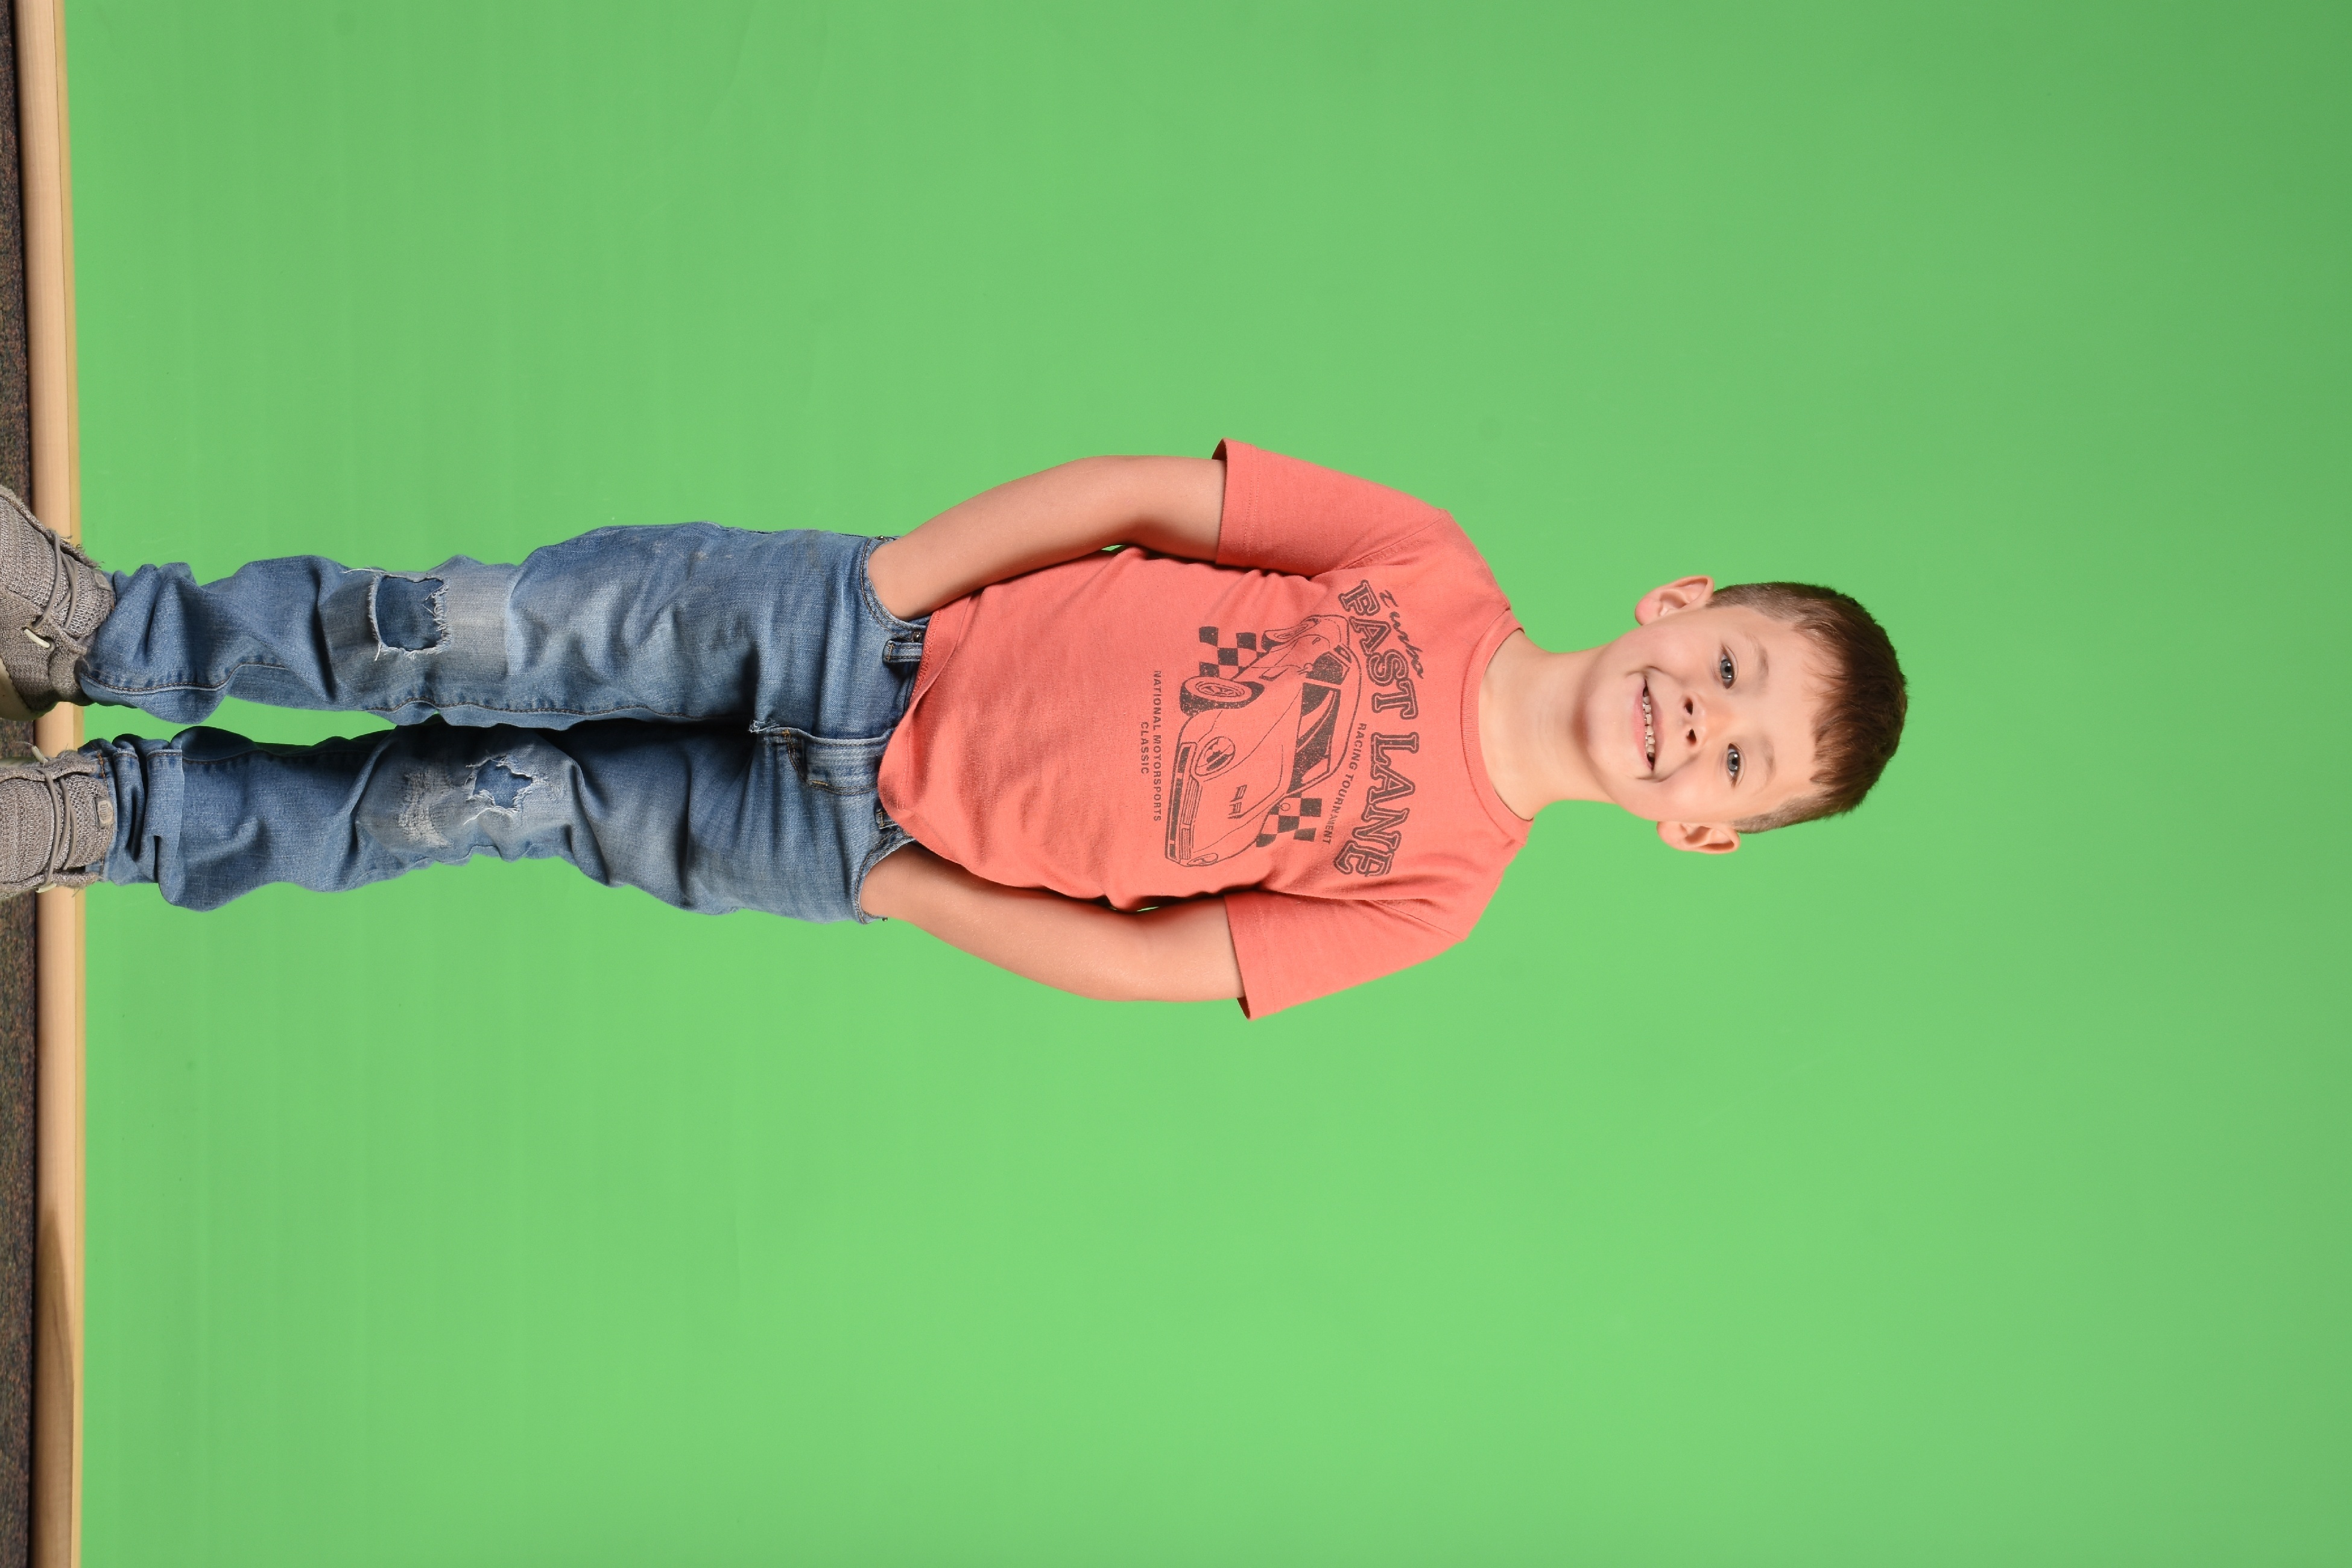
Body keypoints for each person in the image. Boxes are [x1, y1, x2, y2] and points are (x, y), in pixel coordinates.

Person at [0, 441, 1906, 1017]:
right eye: (1733, 667)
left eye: (1736, 762)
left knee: (496, 801)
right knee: (465, 633)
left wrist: (908, 890)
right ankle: (106, 629)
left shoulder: (1441, 895)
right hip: (862, 629)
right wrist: (900, 577)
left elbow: (1165, 962)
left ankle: (118, 820)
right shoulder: (1427, 555)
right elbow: (1154, 494)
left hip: (859, 846)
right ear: (1687, 601)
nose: (1698, 722)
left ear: (1700, 832)